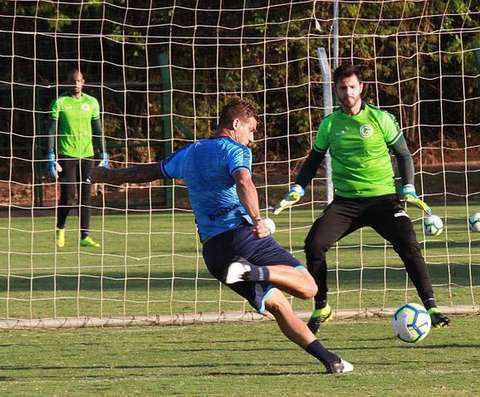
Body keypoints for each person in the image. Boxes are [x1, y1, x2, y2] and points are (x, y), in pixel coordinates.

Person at [90, 99, 353, 374]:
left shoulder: (190, 152)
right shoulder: (234, 150)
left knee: (278, 305)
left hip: (215, 254)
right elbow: (243, 181)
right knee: (308, 289)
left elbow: (148, 172)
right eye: (250, 130)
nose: (251, 139)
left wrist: (107, 175)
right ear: (236, 124)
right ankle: (256, 271)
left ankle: (330, 360)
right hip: (243, 237)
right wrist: (258, 220)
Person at [275, 64, 450, 334]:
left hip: (383, 201)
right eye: (342, 88)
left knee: (408, 242)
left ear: (362, 88)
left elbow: (403, 155)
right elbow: (313, 160)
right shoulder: (330, 124)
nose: (348, 93)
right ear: (335, 90)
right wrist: (298, 188)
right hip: (346, 203)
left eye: (352, 87)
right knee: (314, 244)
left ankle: (431, 305)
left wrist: (409, 188)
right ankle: (322, 306)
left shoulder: (381, 119)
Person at [47, 69, 109, 248]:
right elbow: (52, 130)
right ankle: (60, 228)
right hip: (67, 155)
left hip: (87, 155)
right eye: (73, 81)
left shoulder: (91, 102)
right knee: (69, 197)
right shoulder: (60, 102)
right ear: (68, 82)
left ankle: (85, 236)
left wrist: (104, 152)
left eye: (79, 81)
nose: (76, 84)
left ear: (84, 82)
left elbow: (98, 130)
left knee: (86, 196)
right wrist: (51, 155)